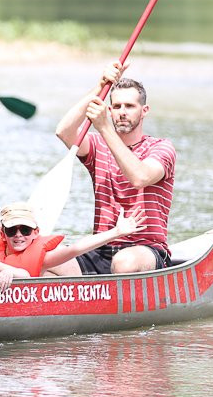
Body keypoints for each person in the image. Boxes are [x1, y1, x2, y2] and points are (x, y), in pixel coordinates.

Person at [49, 61, 176, 275]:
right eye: (116, 107)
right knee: (45, 259)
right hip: (100, 249)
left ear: (144, 111)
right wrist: (100, 87)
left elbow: (140, 177)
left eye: (129, 106)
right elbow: (64, 131)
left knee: (124, 262)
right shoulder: (97, 146)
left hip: (144, 250)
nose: (122, 112)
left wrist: (104, 126)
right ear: (109, 109)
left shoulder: (162, 148)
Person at [0, 202, 147, 288]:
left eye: (26, 230)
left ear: (36, 232)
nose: (19, 235)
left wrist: (116, 232)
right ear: (2, 234)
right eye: (12, 230)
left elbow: (76, 249)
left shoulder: (44, 257)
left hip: (91, 267)